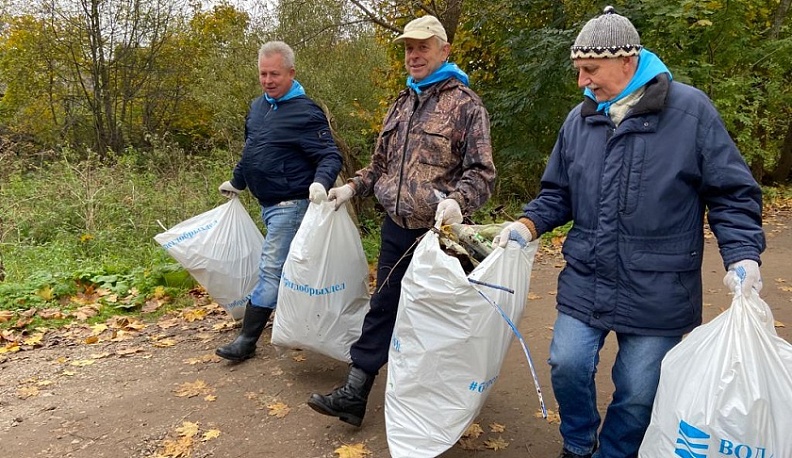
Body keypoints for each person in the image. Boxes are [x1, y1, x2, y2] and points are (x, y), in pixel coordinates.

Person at [496, 6, 765, 458]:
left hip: (660, 285)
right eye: (578, 69)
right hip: (588, 274)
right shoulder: (579, 121)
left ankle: (616, 452)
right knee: (567, 362)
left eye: (590, 69)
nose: (582, 81)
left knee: (639, 391)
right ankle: (579, 444)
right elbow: (557, 192)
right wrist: (526, 224)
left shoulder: (690, 111)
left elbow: (732, 192)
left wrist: (742, 254)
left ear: (628, 62)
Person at [306, 15, 496, 427]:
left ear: (444, 51)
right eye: (409, 48)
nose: (414, 55)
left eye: (423, 47)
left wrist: (459, 202)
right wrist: (352, 188)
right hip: (396, 227)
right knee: (383, 308)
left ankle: (440, 406)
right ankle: (355, 394)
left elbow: (482, 173)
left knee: (437, 319)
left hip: (440, 236)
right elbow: (379, 165)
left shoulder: (466, 105)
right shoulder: (401, 103)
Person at [215, 41, 342, 362]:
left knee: (271, 269)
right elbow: (252, 150)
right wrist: (238, 181)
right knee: (287, 268)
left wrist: (320, 182)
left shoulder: (305, 112)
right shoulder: (258, 107)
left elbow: (329, 154)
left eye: (274, 74)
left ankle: (247, 340)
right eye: (263, 74)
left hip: (292, 204)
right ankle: (305, 321)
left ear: (291, 73)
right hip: (267, 203)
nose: (268, 80)